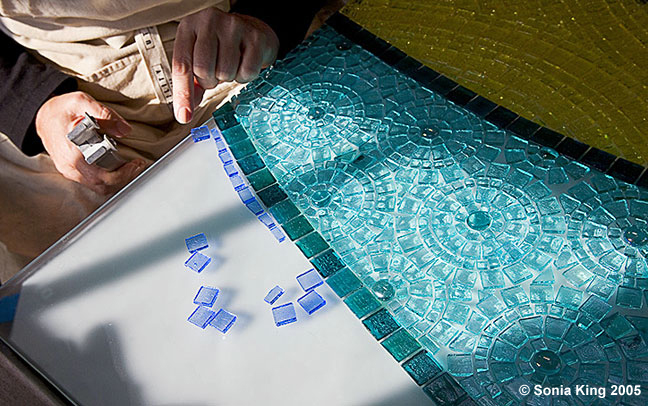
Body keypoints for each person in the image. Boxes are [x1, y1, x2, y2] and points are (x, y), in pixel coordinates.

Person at [0, 0, 326, 282]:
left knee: (319, 213)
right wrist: (37, 108)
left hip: (238, 65)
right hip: (69, 98)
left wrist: (266, 19)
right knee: (75, 281)